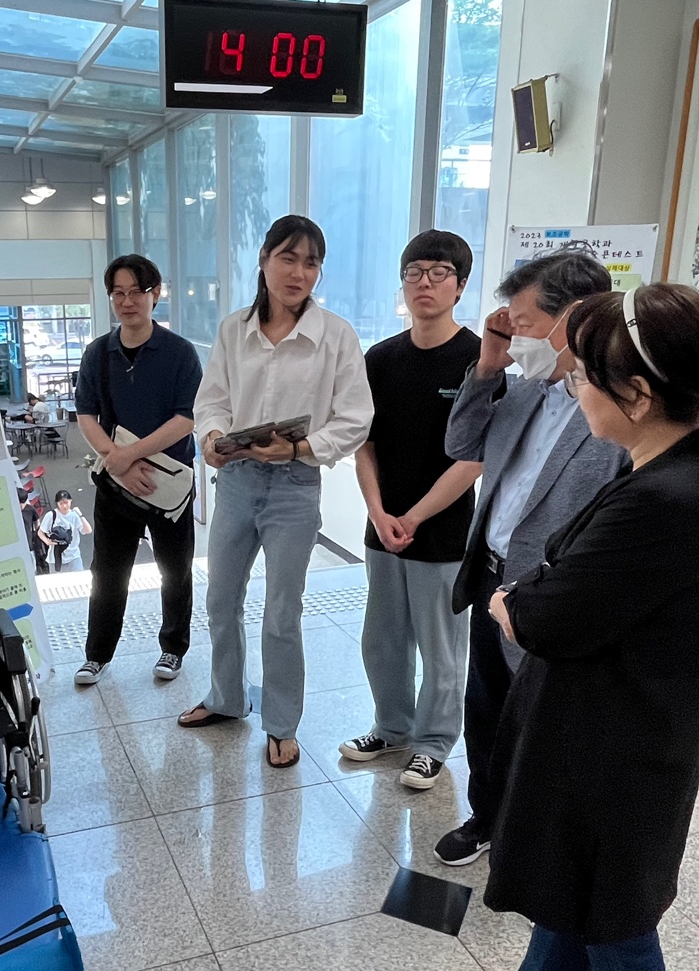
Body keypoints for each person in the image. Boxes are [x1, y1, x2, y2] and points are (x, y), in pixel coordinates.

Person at [442, 283, 699, 971]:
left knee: (619, 921)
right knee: (582, 882)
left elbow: (549, 615)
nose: (574, 389)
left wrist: (511, 603)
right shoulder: (686, 464)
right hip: (624, 724)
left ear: (636, 394)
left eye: (584, 376)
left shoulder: (668, 498)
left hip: (618, 742)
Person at [433, 248, 628, 866]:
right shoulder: (522, 389)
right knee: (486, 710)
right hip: (491, 578)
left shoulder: (617, 409)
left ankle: (538, 835)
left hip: (552, 594)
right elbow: (460, 444)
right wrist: (487, 366)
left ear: (574, 319)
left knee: (545, 722)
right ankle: (487, 817)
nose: (516, 337)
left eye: (524, 324)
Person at [181, 215, 373, 769]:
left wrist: (298, 449)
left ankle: (282, 723)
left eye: (311, 263)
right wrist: (212, 437)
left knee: (282, 610)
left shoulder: (335, 335)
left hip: (295, 485)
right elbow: (211, 400)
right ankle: (225, 697)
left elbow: (356, 418)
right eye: (288, 258)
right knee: (221, 599)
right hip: (237, 481)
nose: (299, 273)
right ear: (264, 260)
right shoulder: (233, 330)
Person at [340, 231, 482, 790]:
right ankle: (391, 728)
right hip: (383, 527)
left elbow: (474, 459)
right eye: (414, 272)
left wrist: (416, 516)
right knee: (382, 640)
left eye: (439, 272)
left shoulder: (478, 360)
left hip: (443, 531)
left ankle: (433, 743)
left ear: (460, 285)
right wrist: (378, 512)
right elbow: (364, 444)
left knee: (441, 647)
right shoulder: (381, 359)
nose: (425, 282)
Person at [73, 254, 203, 686]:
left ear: (155, 294)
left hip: (169, 486)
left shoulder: (180, 353)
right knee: (107, 573)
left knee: (176, 570)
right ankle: (97, 654)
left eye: (136, 292)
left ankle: (173, 649)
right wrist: (117, 461)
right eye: (118, 293)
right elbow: (86, 415)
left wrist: (129, 456)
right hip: (116, 485)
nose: (127, 302)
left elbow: (186, 419)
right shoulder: (98, 353)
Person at [38, 489, 91, 573]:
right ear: (57, 504)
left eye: (66, 502)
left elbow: (88, 530)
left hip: (73, 556)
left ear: (70, 501)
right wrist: (47, 541)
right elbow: (40, 532)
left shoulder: (74, 515)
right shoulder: (51, 515)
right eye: (61, 503)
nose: (64, 506)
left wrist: (81, 515)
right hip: (55, 558)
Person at [19, 487, 47, 575]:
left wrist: (36, 533)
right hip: (19, 542)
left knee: (32, 564)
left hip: (29, 543)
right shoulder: (13, 511)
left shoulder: (30, 509)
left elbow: (37, 521)